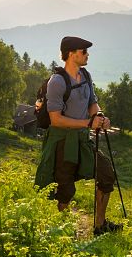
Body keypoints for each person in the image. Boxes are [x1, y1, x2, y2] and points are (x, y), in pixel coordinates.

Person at [35, 36, 122, 235]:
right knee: (65, 191)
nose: (87, 54)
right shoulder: (57, 82)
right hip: (62, 141)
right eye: (84, 51)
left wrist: (99, 116)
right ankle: (60, 231)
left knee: (107, 174)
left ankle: (100, 225)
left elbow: (92, 102)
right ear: (71, 54)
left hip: (82, 139)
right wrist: (87, 123)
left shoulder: (86, 76)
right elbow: (55, 119)